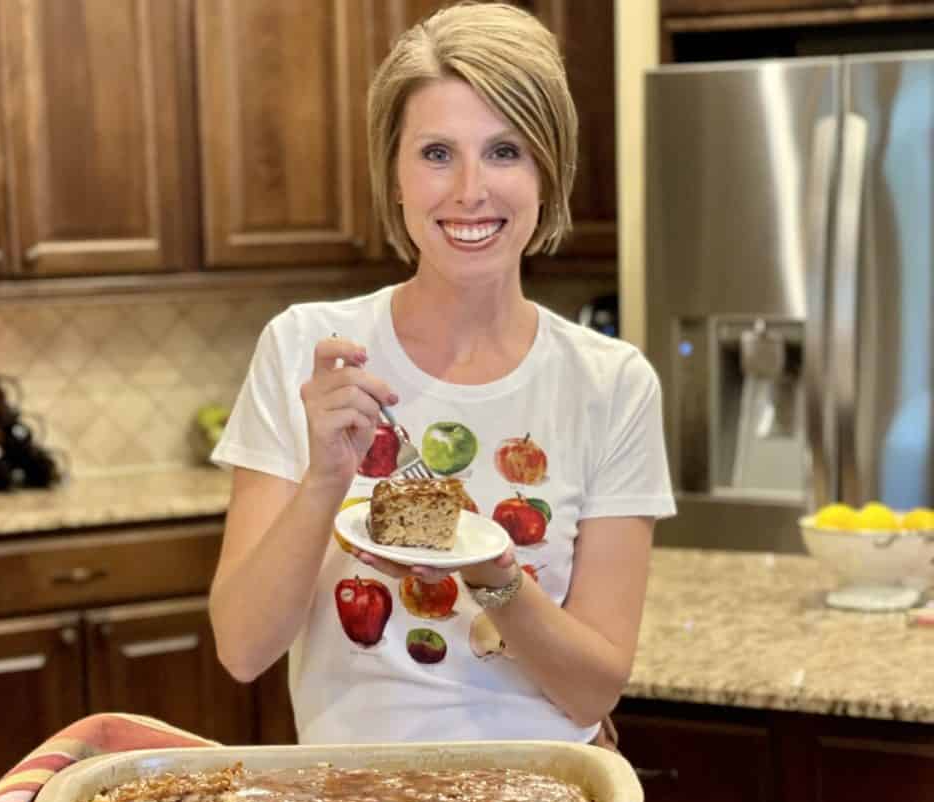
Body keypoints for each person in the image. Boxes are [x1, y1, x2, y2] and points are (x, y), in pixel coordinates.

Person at [209, 1, 675, 749]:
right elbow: (241, 648)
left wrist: (496, 574)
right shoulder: (308, 348)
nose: (468, 190)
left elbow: (595, 685)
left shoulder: (610, 383)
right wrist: (325, 478)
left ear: (548, 175)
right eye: (435, 154)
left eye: (504, 151)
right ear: (393, 175)